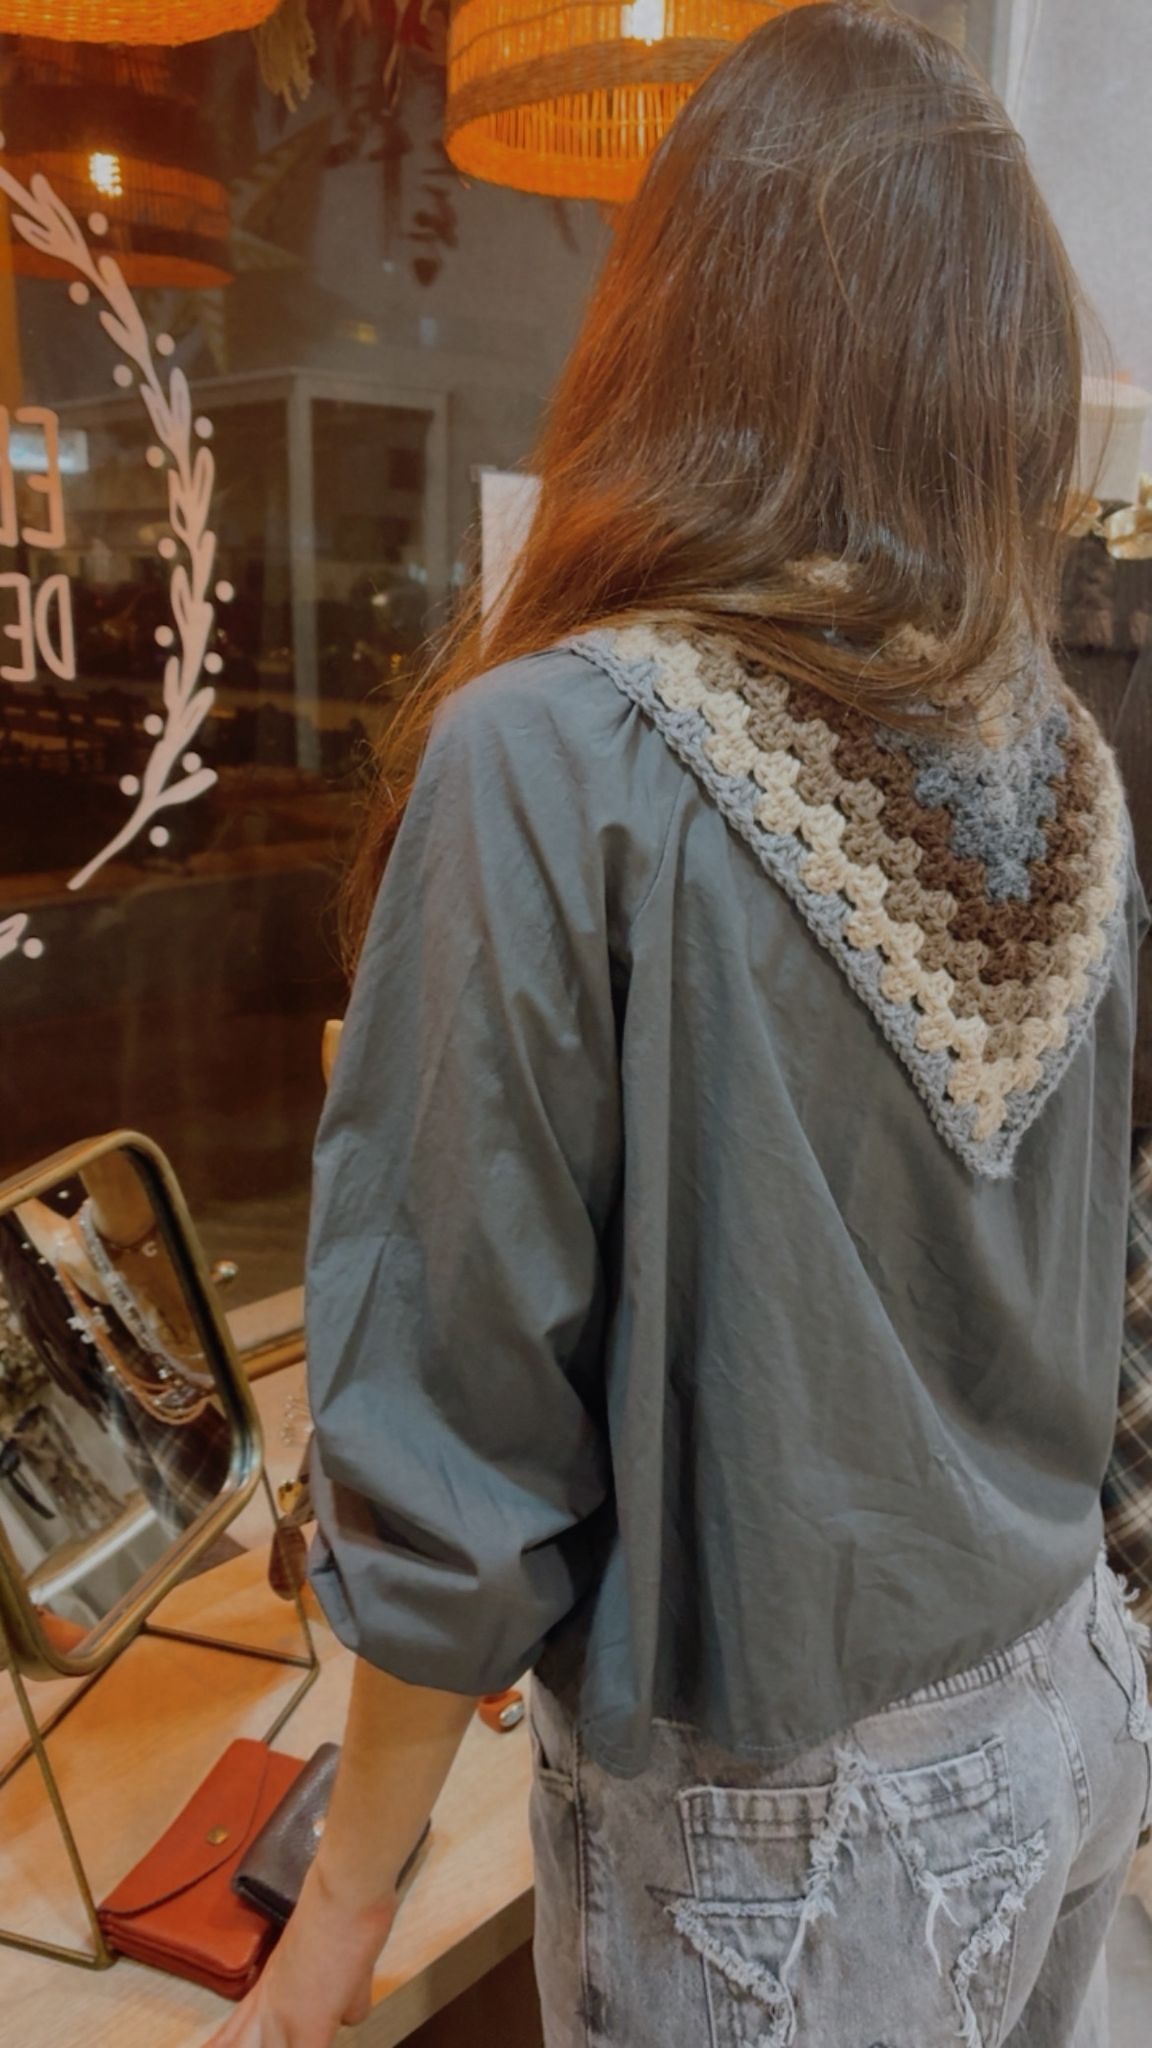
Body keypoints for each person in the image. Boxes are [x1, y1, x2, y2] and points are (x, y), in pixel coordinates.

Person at [208, 8, 1152, 2046]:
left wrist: (339, 1910)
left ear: (679, 325)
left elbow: (457, 1410)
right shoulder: (1057, 760)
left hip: (789, 1849)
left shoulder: (554, 754)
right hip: (1070, 1700)